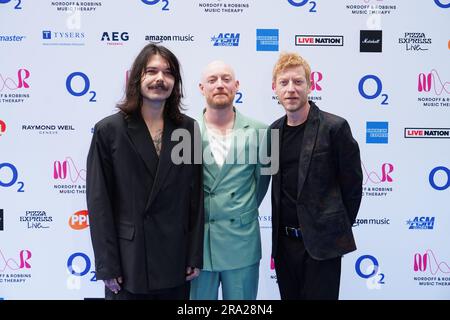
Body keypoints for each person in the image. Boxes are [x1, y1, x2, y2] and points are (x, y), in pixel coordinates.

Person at [86, 43, 204, 300]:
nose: (160, 79)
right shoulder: (109, 131)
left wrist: (195, 254)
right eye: (152, 71)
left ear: (176, 83)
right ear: (137, 77)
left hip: (175, 260)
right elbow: (99, 203)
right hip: (129, 263)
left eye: (168, 72)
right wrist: (107, 265)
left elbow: (195, 198)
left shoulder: (187, 129)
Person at [270, 52, 363, 300]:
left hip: (322, 247)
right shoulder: (273, 132)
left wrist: (333, 230)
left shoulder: (335, 127)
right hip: (284, 246)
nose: (291, 89)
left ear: (310, 85)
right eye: (284, 82)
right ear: (275, 88)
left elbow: (353, 187)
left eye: (298, 82)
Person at [190, 61, 270, 300]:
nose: (220, 85)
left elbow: (262, 186)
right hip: (198, 247)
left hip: (242, 243)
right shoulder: (183, 132)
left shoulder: (264, 133)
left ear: (236, 86)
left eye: (226, 79)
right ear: (201, 88)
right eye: (212, 80)